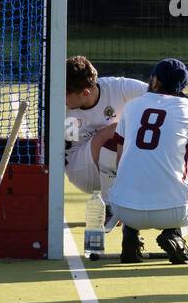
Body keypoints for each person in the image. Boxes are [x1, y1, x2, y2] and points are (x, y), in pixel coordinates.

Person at [106, 59, 188, 265]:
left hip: (123, 210)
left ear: (154, 81)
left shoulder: (131, 107)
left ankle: (131, 234)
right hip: (173, 211)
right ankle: (176, 234)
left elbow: (121, 166)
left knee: (137, 179)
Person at [63, 56, 147, 204]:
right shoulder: (62, 108)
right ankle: (110, 202)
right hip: (81, 170)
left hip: (112, 162)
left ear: (85, 93)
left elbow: (154, 94)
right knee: (116, 129)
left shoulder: (117, 87)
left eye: (66, 95)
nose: (62, 98)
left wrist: (178, 98)